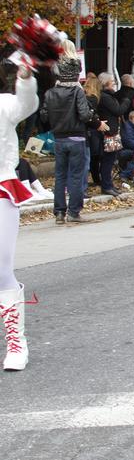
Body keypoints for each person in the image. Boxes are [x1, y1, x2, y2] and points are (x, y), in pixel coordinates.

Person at [0, 63, 40, 370]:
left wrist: (25, 78)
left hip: (1, 189)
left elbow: (27, 104)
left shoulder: (4, 105)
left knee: (1, 268)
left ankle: (16, 343)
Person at [42, 56, 104, 220]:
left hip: (59, 139)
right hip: (77, 138)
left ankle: (60, 212)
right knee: (76, 176)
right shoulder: (77, 91)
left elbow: (44, 116)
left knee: (60, 175)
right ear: (76, 75)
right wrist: (92, 115)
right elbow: (84, 115)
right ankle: (73, 212)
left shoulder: (50, 93)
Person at [96, 72, 134, 196]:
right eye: (112, 81)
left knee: (110, 159)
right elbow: (118, 110)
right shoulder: (105, 97)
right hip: (109, 132)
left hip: (111, 130)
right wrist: (127, 100)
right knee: (108, 160)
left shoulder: (108, 96)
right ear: (106, 83)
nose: (114, 82)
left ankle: (108, 185)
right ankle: (106, 185)